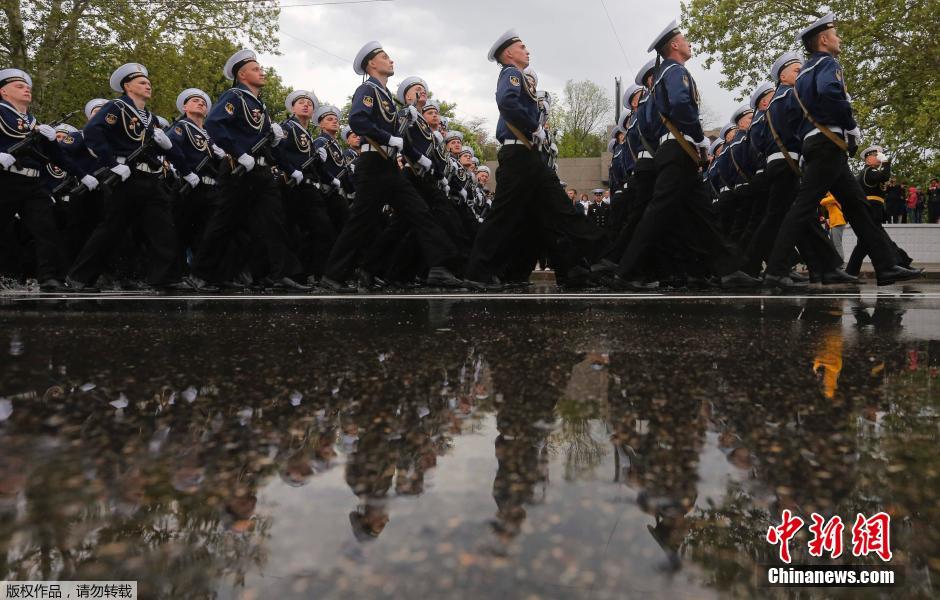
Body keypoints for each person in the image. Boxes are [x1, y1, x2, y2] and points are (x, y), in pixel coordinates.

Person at [762, 13, 920, 287]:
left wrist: (809, 136)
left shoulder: (802, 77)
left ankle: (886, 266)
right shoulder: (827, 64)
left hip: (819, 145)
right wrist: (850, 126)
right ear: (823, 40)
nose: (840, 38)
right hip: (828, 145)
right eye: (836, 33)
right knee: (803, 208)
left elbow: (792, 118)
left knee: (858, 208)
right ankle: (775, 269)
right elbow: (831, 93)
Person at [608, 20, 759, 290]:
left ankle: (726, 269)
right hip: (678, 149)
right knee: (658, 212)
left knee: (702, 214)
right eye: (685, 39)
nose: (689, 43)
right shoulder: (675, 71)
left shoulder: (663, 77)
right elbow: (680, 104)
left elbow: (652, 124)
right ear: (674, 45)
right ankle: (626, 272)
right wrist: (697, 135)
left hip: (676, 150)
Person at [465, 29, 606, 289]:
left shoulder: (517, 76)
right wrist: (533, 126)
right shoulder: (511, 74)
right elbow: (506, 102)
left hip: (527, 156)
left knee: (558, 210)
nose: (527, 51)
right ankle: (477, 273)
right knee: (503, 217)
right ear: (509, 53)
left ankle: (598, 259)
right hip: (518, 155)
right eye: (522, 47)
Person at [319, 41, 464, 291]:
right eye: (385, 57)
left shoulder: (385, 96)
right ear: (372, 64)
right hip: (372, 163)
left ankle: (437, 267)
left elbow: (399, 137)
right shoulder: (367, 90)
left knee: (419, 212)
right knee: (361, 221)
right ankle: (333, 275)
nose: (391, 60)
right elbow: (358, 120)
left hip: (387, 165)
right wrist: (388, 139)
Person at [66, 63, 191, 292]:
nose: (148, 86)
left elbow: (161, 150)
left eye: (149, 83)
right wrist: (111, 163)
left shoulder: (150, 118)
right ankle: (79, 278)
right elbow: (93, 132)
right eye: (142, 82)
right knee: (111, 229)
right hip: (125, 177)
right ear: (127, 86)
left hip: (150, 178)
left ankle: (165, 278)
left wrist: (168, 145)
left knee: (163, 228)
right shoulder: (117, 107)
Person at [200, 49, 310, 290]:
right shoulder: (235, 96)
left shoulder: (259, 104)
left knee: (274, 222)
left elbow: (258, 138)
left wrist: (272, 140)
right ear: (242, 74)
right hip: (237, 169)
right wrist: (239, 153)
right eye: (256, 68)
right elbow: (214, 124)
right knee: (225, 223)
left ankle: (281, 274)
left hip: (260, 172)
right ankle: (204, 274)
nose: (262, 71)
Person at [0, 68, 98, 291]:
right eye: (19, 86)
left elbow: (57, 156)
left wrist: (82, 174)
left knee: (46, 230)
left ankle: (49, 278)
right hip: (5, 180)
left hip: (32, 184)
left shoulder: (33, 122)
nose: (26, 89)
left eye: (27, 87)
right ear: (4, 92)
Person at [166, 87, 226, 291]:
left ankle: (202, 276)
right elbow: (171, 146)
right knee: (179, 232)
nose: (200, 103)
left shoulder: (209, 136)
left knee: (206, 234)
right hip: (188, 185)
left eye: (203, 102)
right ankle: (177, 275)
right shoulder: (181, 127)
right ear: (185, 107)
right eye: (194, 101)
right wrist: (184, 171)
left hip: (210, 189)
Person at [845, 145, 914, 276]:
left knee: (865, 244)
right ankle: (902, 264)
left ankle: (850, 273)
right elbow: (885, 176)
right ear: (868, 159)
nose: (878, 158)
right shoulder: (868, 172)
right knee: (881, 240)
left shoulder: (873, 172)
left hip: (872, 211)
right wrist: (886, 162)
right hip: (870, 211)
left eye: (879, 155)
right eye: (876, 155)